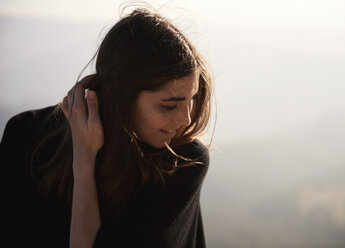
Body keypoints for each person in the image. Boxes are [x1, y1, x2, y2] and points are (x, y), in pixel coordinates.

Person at [0, 7, 213, 248]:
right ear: (121, 99)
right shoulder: (27, 137)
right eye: (169, 106)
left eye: (191, 100)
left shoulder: (181, 162)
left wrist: (83, 162)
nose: (185, 120)